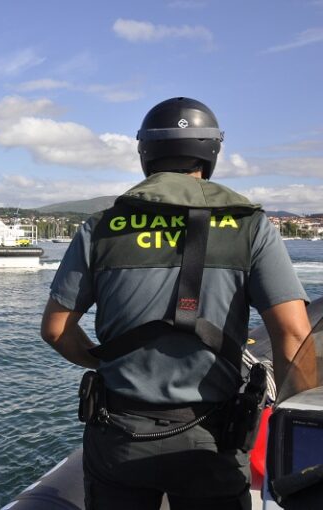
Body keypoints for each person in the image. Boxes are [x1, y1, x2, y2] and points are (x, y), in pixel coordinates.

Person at [41, 97, 312, 509]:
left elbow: (56, 329)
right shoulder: (250, 226)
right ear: (211, 152)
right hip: (213, 439)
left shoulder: (101, 227)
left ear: (146, 152)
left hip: (118, 434)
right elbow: (292, 333)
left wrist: (109, 363)